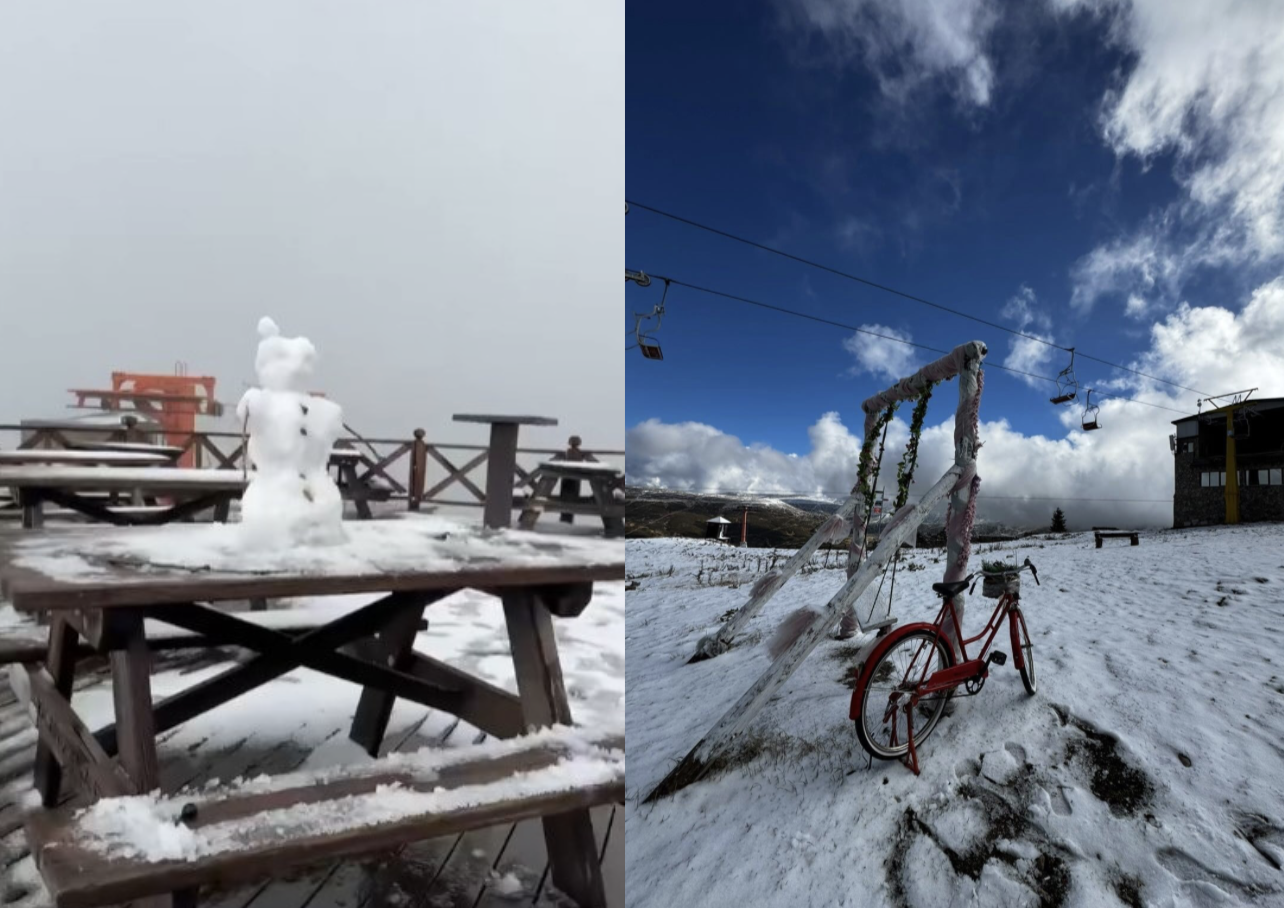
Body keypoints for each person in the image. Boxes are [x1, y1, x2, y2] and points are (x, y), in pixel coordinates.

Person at [553, 435, 597, 523]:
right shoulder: (577, 453)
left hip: (567, 477)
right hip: (575, 478)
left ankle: (565, 519)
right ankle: (567, 519)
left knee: (566, 498)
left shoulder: (567, 453)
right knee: (570, 499)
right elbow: (595, 462)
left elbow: (553, 460)